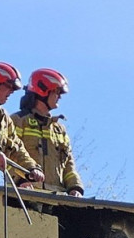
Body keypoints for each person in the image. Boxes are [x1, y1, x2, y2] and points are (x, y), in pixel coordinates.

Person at [11, 68, 84, 196]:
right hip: (23, 194)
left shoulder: (59, 130)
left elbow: (68, 165)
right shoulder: (18, 121)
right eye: (56, 92)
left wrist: (75, 188)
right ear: (43, 91)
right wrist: (20, 181)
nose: (60, 97)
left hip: (56, 199)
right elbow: (9, 154)